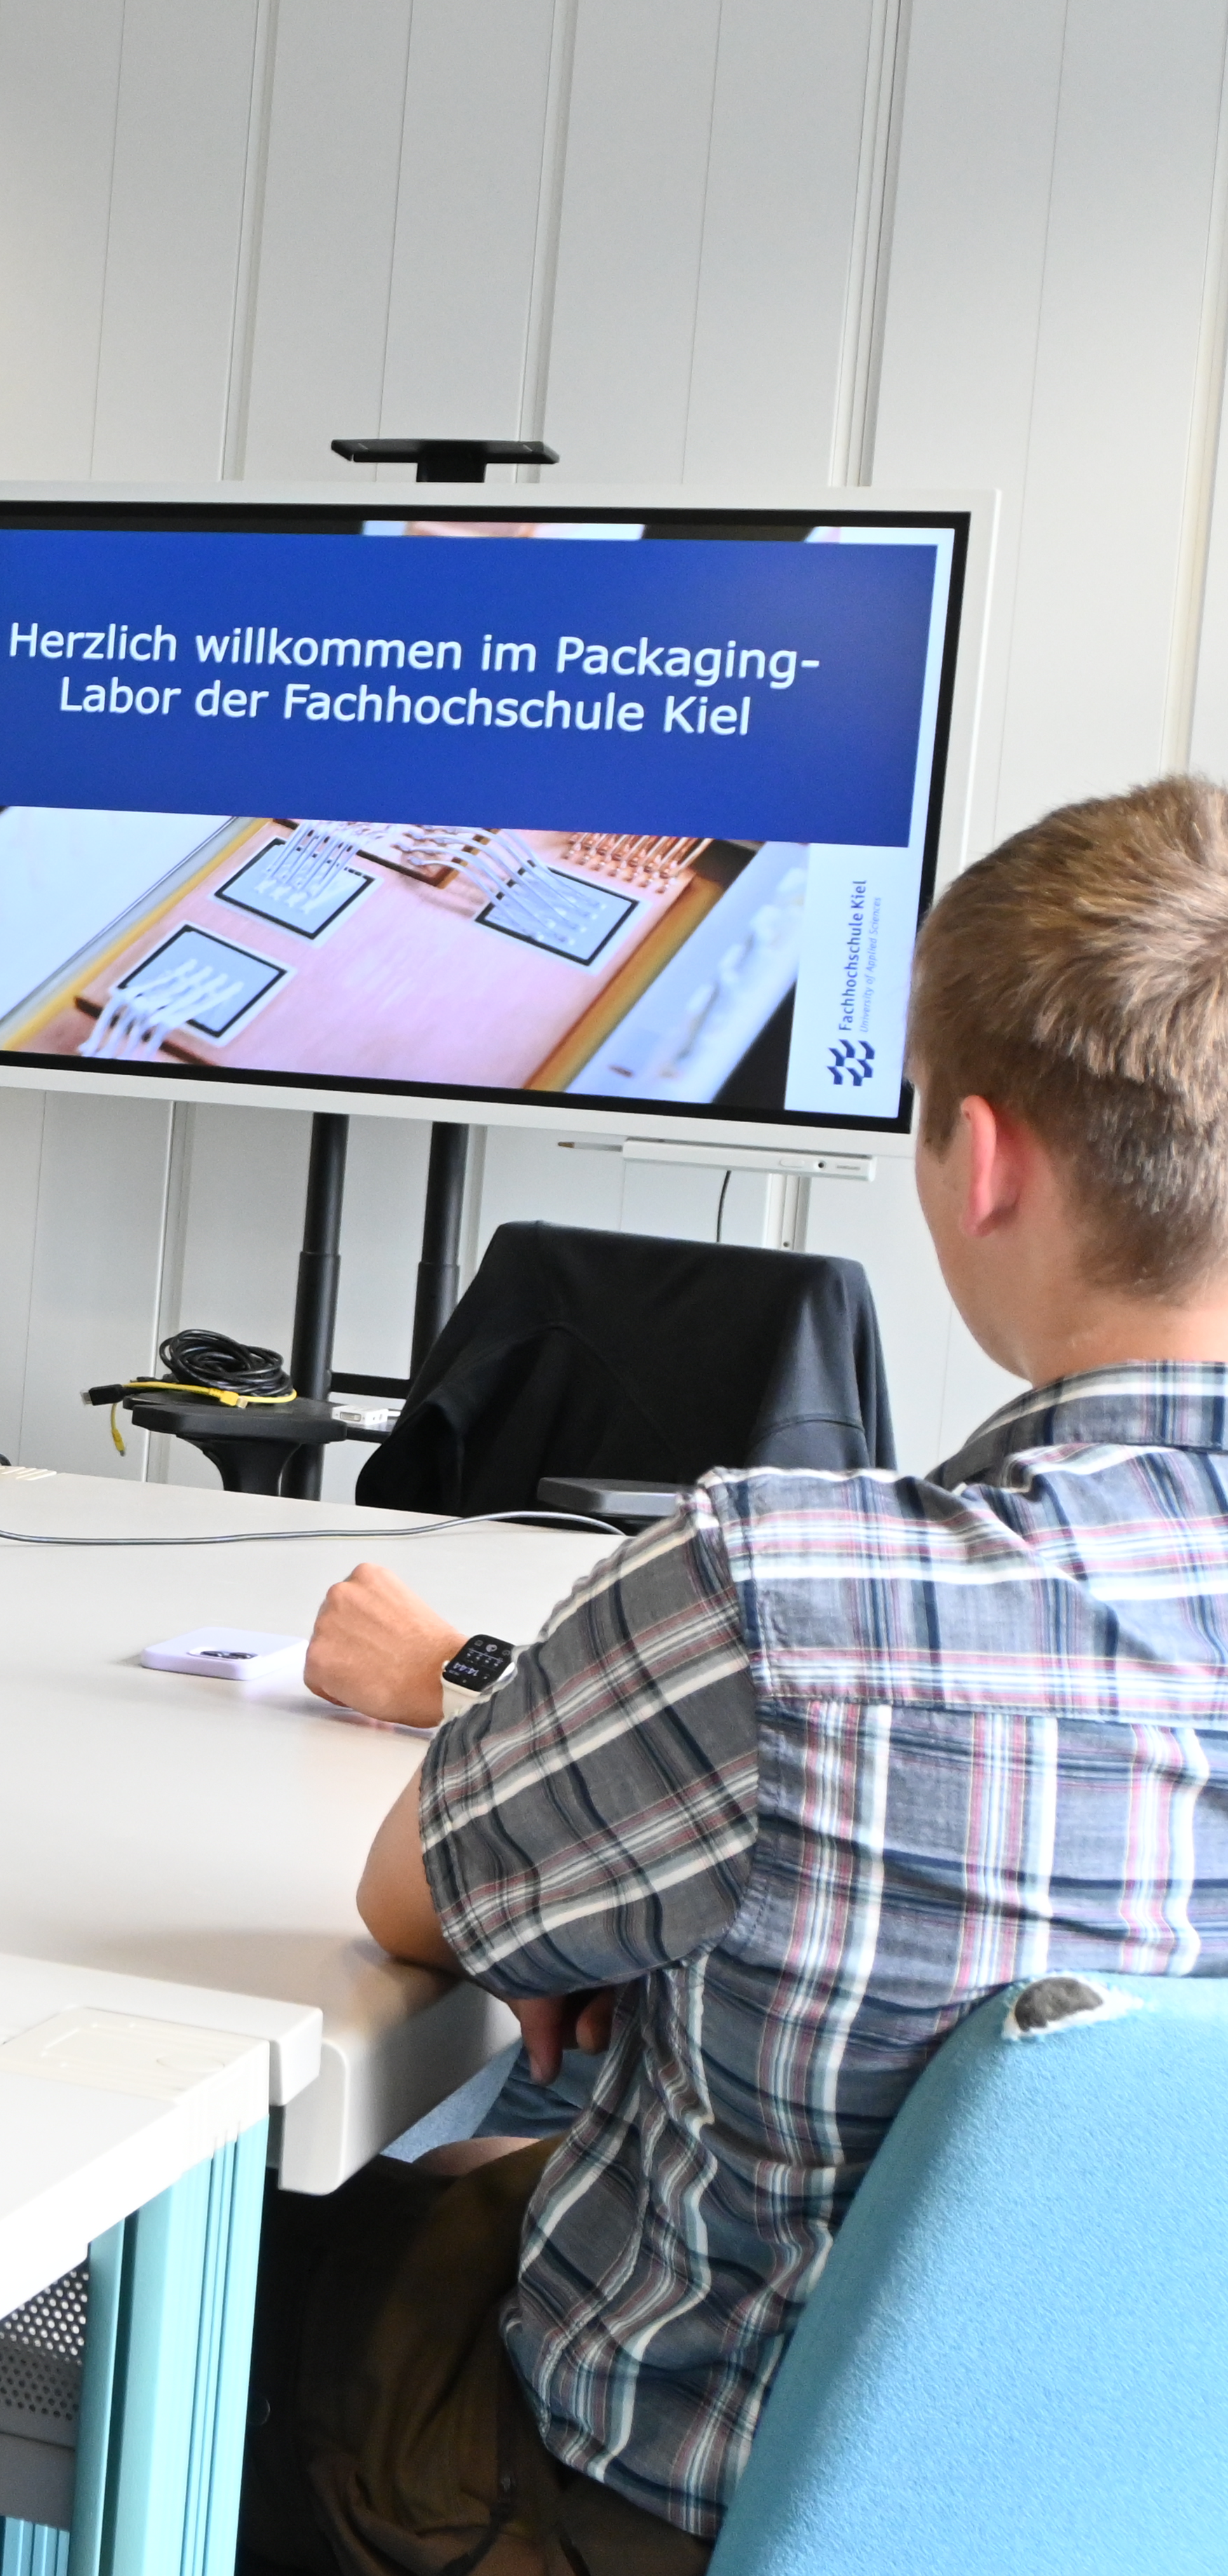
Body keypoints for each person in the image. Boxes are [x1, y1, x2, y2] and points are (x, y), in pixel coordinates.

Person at [255, 773, 1228, 2576]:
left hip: (672, 2510)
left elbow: (413, 1900)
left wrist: (616, 1929)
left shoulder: (784, 1597)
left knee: (260, 2254)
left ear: (987, 1157)